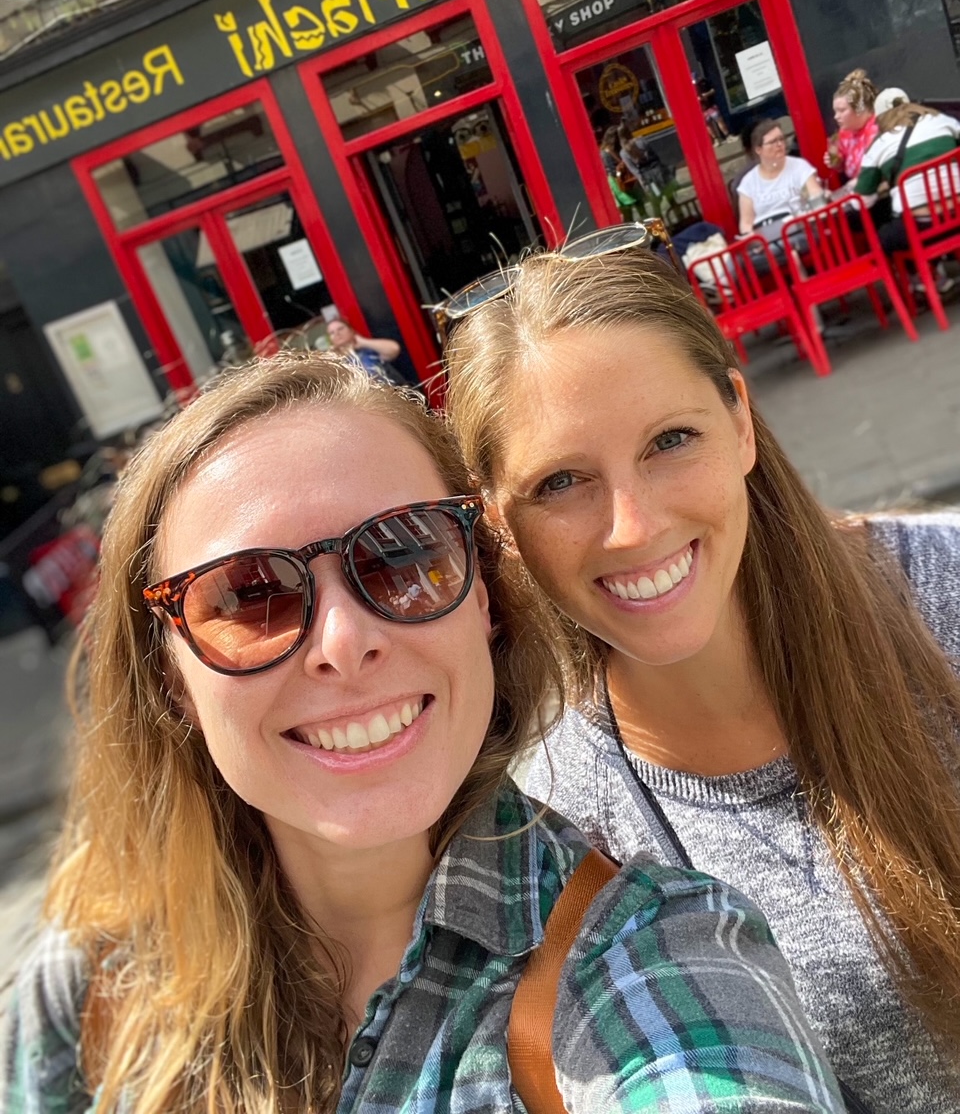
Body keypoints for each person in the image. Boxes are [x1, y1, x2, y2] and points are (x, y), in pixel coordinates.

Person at [2, 352, 845, 1114]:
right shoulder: (91, 991)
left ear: (483, 597)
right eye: (250, 595)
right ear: (171, 681)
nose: (344, 641)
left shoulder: (647, 956)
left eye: (401, 557)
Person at [444, 249, 960, 1113]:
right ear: (500, 524)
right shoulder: (568, 823)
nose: (634, 525)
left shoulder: (942, 599)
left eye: (670, 441)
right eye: (561, 482)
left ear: (742, 423)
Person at [855, 87, 960, 290]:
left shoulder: (878, 146)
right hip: (957, 214)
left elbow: (862, 201)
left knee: (883, 237)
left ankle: (923, 279)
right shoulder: (942, 121)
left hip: (922, 227)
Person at [737, 119, 823, 240]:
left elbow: (815, 197)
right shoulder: (747, 183)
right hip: (766, 241)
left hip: (800, 231)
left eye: (781, 139)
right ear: (758, 149)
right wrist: (754, 241)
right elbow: (746, 223)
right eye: (772, 142)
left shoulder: (799, 167)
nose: (779, 144)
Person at [824, 70, 879, 195]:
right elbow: (841, 165)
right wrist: (836, 162)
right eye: (835, 111)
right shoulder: (844, 133)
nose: (836, 117)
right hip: (861, 194)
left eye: (842, 110)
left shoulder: (877, 129)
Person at [327, 316, 403, 381]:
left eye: (340, 329)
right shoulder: (335, 362)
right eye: (332, 333)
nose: (337, 333)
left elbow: (394, 349)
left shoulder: (368, 350)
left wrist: (363, 342)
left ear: (351, 330)